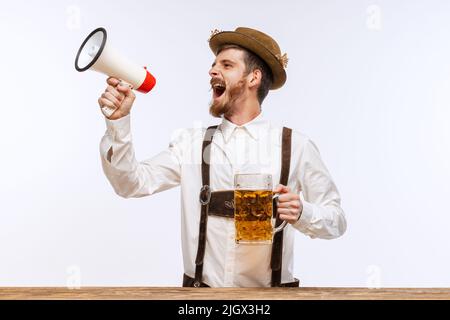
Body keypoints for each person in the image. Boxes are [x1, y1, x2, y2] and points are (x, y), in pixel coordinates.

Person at [98, 27, 347, 287]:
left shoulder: (296, 146)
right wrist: (118, 123)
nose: (212, 71)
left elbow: (336, 221)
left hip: (272, 301)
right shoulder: (192, 145)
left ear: (254, 78)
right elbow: (130, 184)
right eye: (214, 64)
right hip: (201, 303)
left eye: (226, 65)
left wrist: (303, 212)